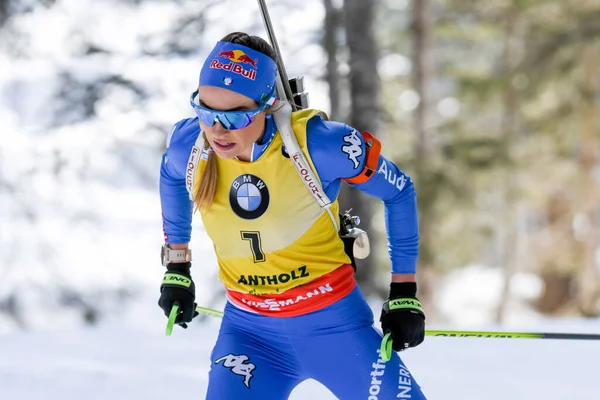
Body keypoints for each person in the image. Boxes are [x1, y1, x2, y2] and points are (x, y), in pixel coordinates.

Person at [158, 31, 427, 400]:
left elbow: (399, 191)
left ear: (267, 105)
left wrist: (404, 291)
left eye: (235, 116)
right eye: (205, 110)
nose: (216, 130)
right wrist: (177, 266)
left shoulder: (321, 144)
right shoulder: (189, 146)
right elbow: (170, 176)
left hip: (335, 329)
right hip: (250, 335)